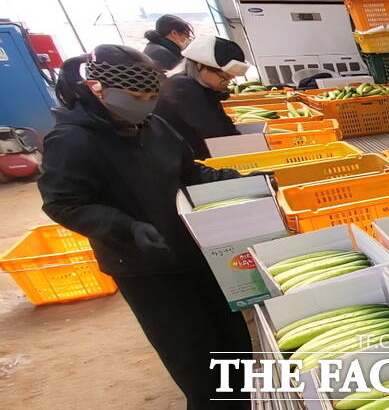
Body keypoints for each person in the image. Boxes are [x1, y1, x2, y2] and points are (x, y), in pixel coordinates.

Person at [37, 45, 252, 409]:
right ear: (98, 89)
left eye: (151, 97)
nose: (145, 105)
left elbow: (188, 173)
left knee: (233, 345)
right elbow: (62, 203)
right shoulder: (72, 140)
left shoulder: (153, 126)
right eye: (135, 98)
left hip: (193, 250)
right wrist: (126, 227)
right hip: (145, 266)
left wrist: (241, 181)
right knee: (196, 359)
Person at [154, 36, 250, 160]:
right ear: (200, 65)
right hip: (183, 161)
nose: (226, 83)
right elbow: (214, 132)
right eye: (224, 77)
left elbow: (225, 127)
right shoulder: (182, 87)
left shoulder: (200, 86)